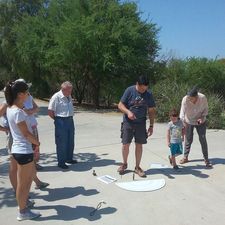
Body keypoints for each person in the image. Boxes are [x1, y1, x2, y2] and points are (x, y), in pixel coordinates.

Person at [4, 80, 41, 221]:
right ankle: (23, 211)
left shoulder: (11, 108)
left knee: (28, 178)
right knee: (23, 183)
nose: (28, 95)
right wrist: (37, 142)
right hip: (23, 150)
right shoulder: (18, 112)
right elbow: (26, 134)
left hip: (18, 150)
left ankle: (23, 204)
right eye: (26, 92)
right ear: (20, 94)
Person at [117, 75, 156, 177]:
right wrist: (128, 112)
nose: (143, 91)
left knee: (139, 145)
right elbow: (120, 105)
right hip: (128, 122)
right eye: (142, 88)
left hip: (141, 123)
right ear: (137, 84)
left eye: (145, 89)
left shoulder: (148, 94)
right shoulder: (129, 90)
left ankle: (137, 167)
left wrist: (151, 125)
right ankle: (124, 164)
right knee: (125, 144)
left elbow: (151, 111)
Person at [179, 86, 212, 167]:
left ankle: (206, 159)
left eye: (191, 98)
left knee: (202, 139)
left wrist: (202, 117)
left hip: (200, 120)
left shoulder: (203, 98)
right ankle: (185, 157)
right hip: (188, 121)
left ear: (196, 96)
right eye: (188, 97)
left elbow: (206, 109)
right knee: (188, 139)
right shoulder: (185, 99)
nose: (189, 99)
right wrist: (182, 123)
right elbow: (182, 112)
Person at [48, 81, 77, 169]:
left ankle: (69, 158)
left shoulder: (68, 96)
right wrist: (57, 120)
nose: (70, 92)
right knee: (61, 142)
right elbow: (50, 111)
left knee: (70, 141)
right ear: (63, 89)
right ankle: (61, 162)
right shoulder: (56, 97)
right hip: (61, 120)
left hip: (70, 120)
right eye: (69, 91)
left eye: (70, 91)